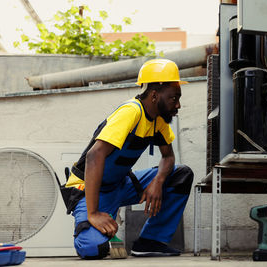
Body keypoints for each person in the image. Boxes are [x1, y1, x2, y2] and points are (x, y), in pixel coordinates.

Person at [61, 59, 194, 259]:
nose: (178, 104)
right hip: (90, 190)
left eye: (178, 98)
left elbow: (168, 157)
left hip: (122, 185)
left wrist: (157, 182)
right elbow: (94, 156)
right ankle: (97, 222)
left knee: (181, 174)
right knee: (92, 248)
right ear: (155, 95)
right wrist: (94, 212)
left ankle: (150, 241)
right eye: (173, 98)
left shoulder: (159, 121)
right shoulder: (131, 112)